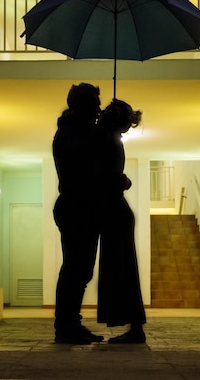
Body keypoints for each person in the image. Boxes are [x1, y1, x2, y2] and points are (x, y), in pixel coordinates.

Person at [52, 83, 104, 344]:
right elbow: (84, 164)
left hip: (82, 207)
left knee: (80, 271)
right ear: (80, 106)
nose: (98, 108)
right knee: (75, 269)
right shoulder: (70, 133)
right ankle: (65, 327)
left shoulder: (78, 130)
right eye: (94, 103)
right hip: (76, 207)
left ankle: (70, 323)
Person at [96, 99, 147, 344]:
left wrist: (123, 181)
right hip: (116, 211)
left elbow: (108, 178)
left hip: (114, 212)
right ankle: (134, 327)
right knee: (123, 268)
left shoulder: (108, 140)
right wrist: (124, 181)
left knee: (121, 268)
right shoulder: (111, 140)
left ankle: (136, 328)